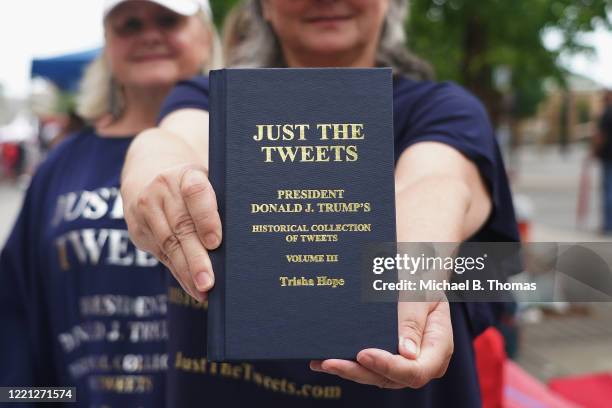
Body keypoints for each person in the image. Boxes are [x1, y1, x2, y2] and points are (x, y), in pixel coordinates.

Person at [121, 0, 519, 406]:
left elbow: (438, 184)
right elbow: (176, 142)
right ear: (265, 8)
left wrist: (416, 269)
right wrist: (153, 166)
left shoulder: (444, 109)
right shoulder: (211, 97)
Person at [0, 0, 220, 406]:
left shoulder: (241, 153)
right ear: (107, 46)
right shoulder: (61, 164)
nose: (148, 34)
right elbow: (16, 311)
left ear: (205, 36)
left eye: (168, 20)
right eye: (128, 25)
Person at [593, 90, 612, 232]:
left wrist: (594, 151)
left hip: (608, 156)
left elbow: (601, 135)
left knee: (608, 190)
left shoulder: (607, 113)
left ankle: (608, 224)